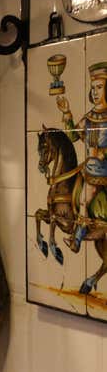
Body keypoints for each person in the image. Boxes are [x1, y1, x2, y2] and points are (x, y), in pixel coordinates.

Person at [56, 62, 107, 253]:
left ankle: (77, 239)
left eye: (99, 87)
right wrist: (67, 113)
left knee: (85, 202)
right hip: (89, 169)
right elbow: (73, 136)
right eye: (93, 88)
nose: (95, 92)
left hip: (103, 169)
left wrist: (102, 153)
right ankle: (78, 236)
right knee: (80, 200)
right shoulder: (89, 117)